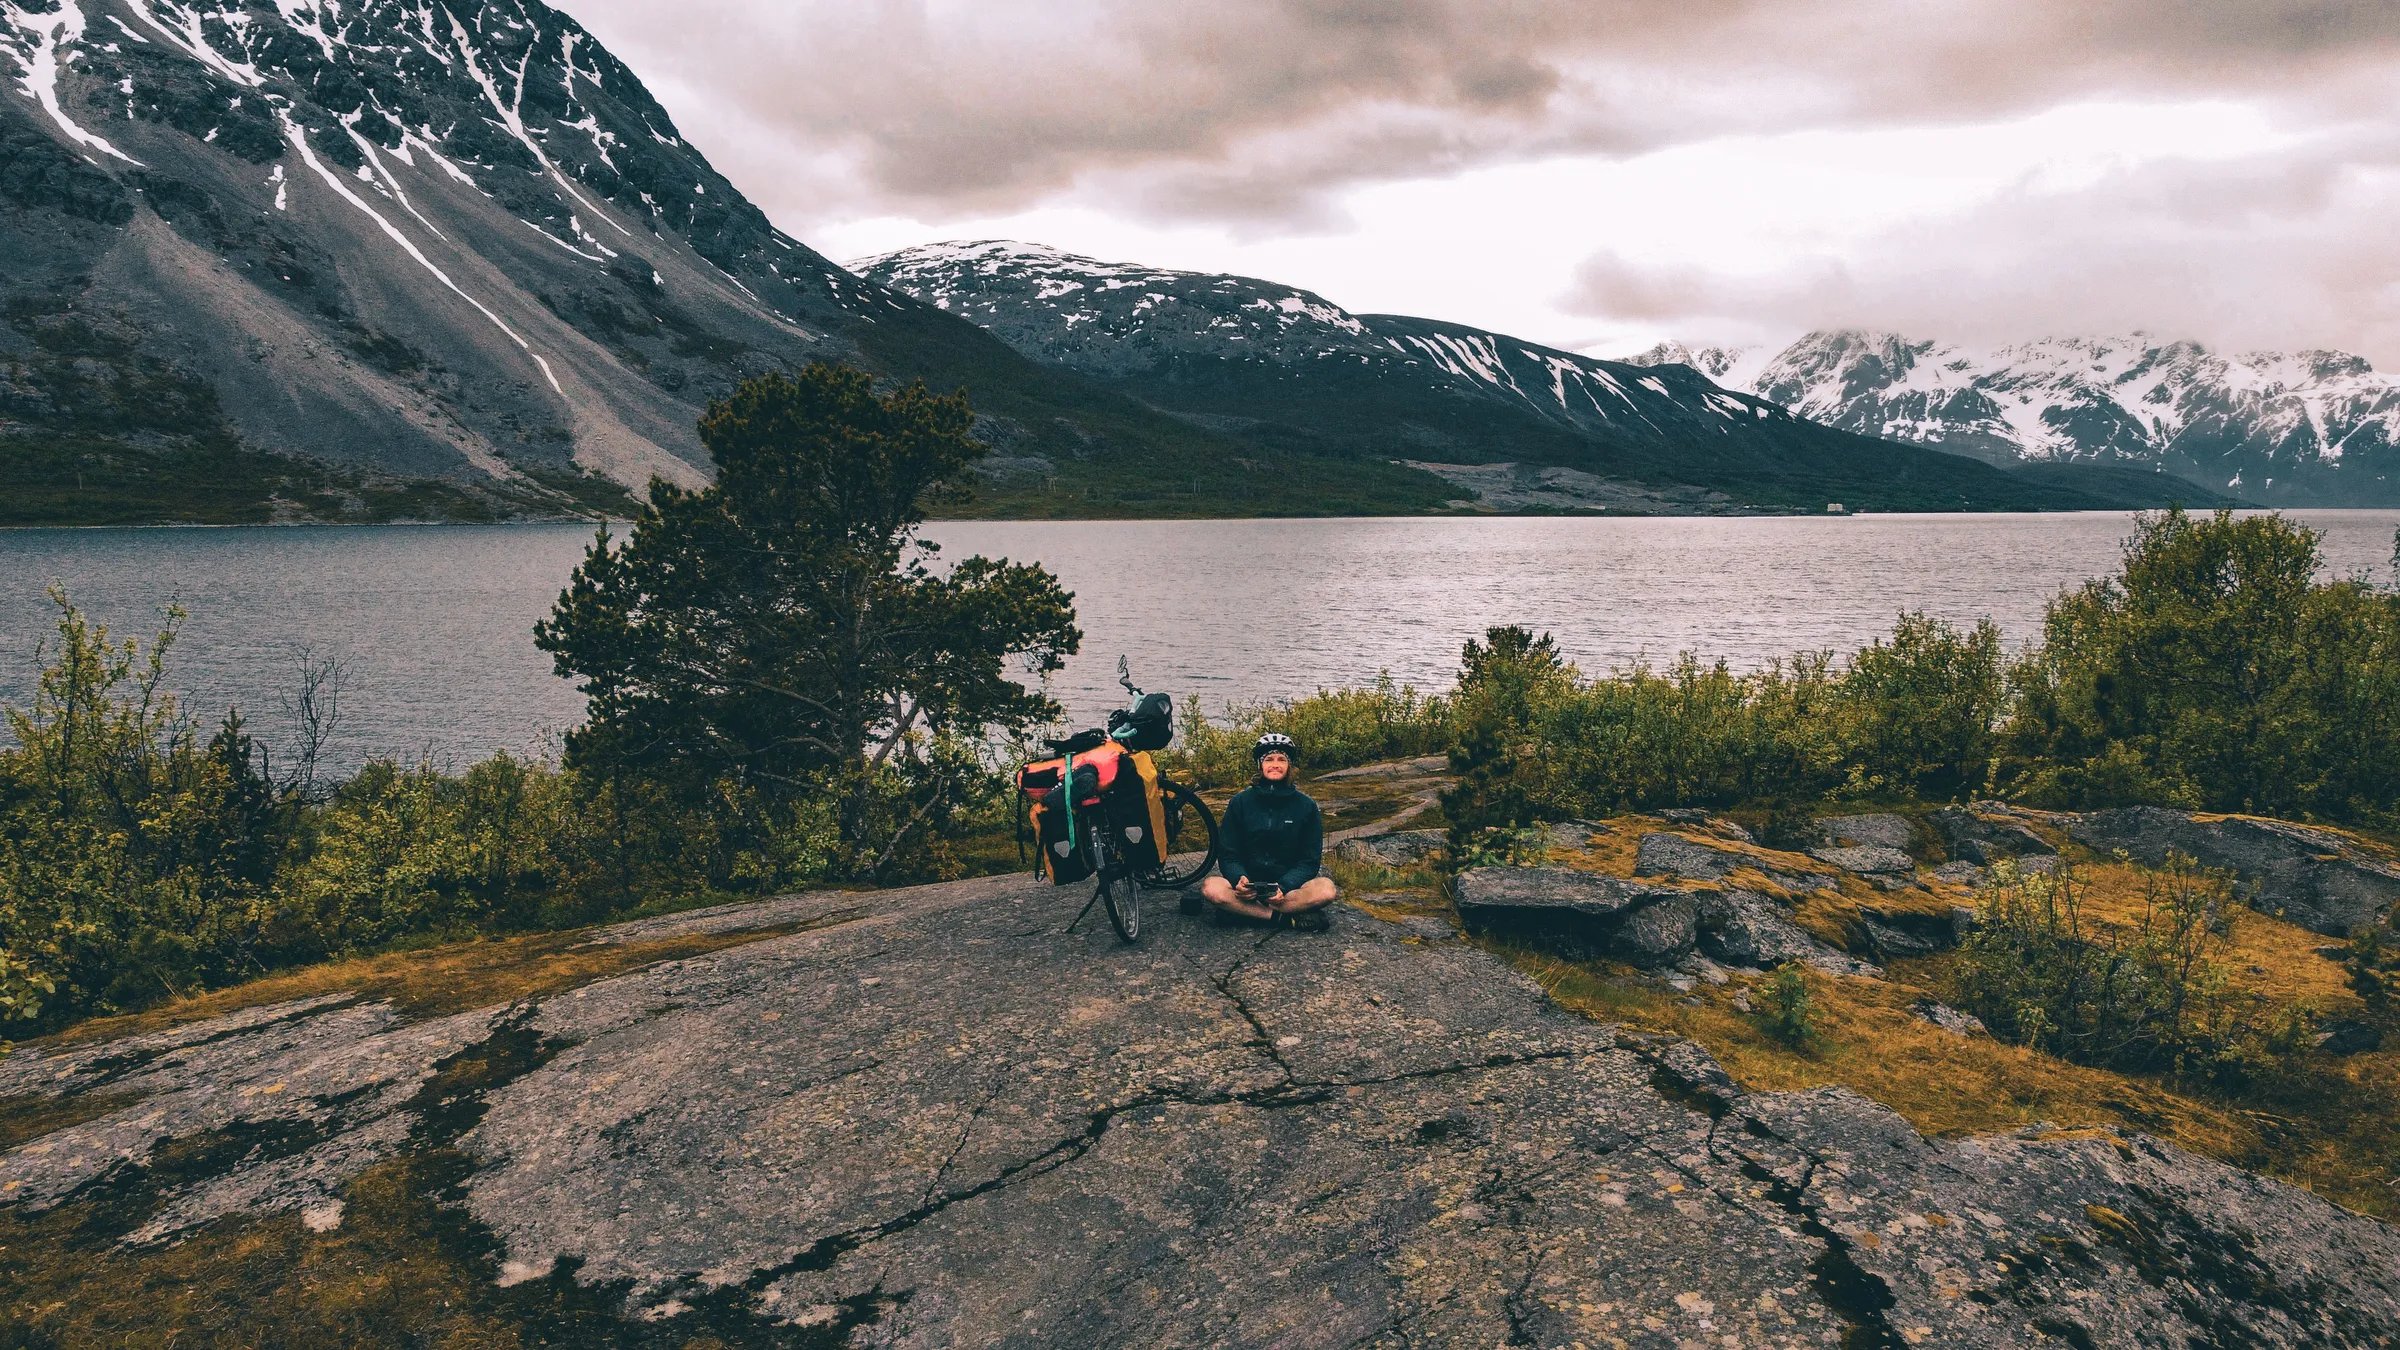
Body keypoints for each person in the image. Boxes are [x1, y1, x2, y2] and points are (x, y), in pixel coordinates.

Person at [1201, 732, 1338, 929]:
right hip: (1248, 887)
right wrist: (1238, 878)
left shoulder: (1306, 805)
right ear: (1260, 765)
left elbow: (1309, 861)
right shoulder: (1240, 802)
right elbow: (1228, 854)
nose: (1275, 764)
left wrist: (1284, 886)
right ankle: (1281, 918)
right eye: (1269, 759)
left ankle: (1246, 913)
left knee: (1326, 890)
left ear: (1289, 766)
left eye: (1282, 759)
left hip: (1287, 891)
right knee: (1211, 888)